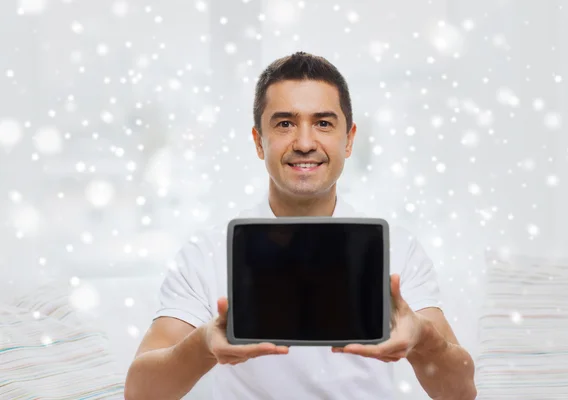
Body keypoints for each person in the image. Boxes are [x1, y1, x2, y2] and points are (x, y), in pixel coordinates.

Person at [124, 52, 477, 400]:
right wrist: (202, 346)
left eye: (323, 123)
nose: (305, 143)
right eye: (284, 123)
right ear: (259, 141)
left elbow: (460, 393)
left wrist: (422, 339)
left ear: (349, 139)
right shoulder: (207, 253)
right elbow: (140, 393)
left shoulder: (396, 248)